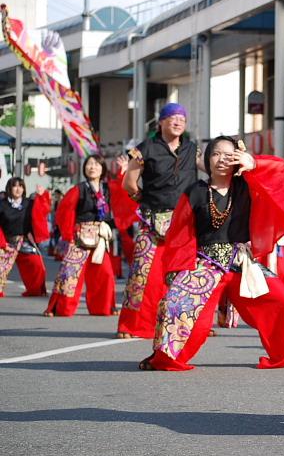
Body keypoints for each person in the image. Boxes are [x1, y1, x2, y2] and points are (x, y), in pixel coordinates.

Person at [138, 136, 284, 371]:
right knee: (174, 304)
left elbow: (279, 169)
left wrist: (254, 163)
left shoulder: (247, 186)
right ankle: (166, 357)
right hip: (204, 263)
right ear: (208, 159)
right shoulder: (196, 191)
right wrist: (178, 271)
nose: (221, 159)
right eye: (216, 154)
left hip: (241, 262)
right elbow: (180, 234)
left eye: (229, 155)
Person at [117, 103, 199, 339]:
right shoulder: (145, 149)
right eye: (172, 117)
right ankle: (130, 326)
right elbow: (129, 184)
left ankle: (185, 324)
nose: (178, 121)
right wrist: (145, 200)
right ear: (161, 122)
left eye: (182, 118)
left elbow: (211, 170)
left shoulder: (192, 150)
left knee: (183, 275)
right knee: (141, 275)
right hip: (152, 222)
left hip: (184, 223)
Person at [44, 155, 118, 317]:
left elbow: (122, 194)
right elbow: (65, 211)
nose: (92, 167)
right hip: (79, 237)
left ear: (102, 168)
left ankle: (104, 307)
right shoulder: (79, 188)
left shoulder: (107, 189)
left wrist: (123, 172)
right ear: (84, 168)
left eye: (97, 164)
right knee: (69, 273)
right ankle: (59, 308)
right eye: (89, 164)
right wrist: (68, 235)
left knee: (105, 274)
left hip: (99, 238)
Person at [0, 178, 50, 297]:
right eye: (15, 186)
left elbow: (44, 210)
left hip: (25, 241)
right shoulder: (2, 204)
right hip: (6, 242)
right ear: (9, 188)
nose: (18, 189)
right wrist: (3, 244)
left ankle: (36, 290)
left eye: (21, 186)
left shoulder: (29, 203)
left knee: (37, 264)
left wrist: (43, 196)